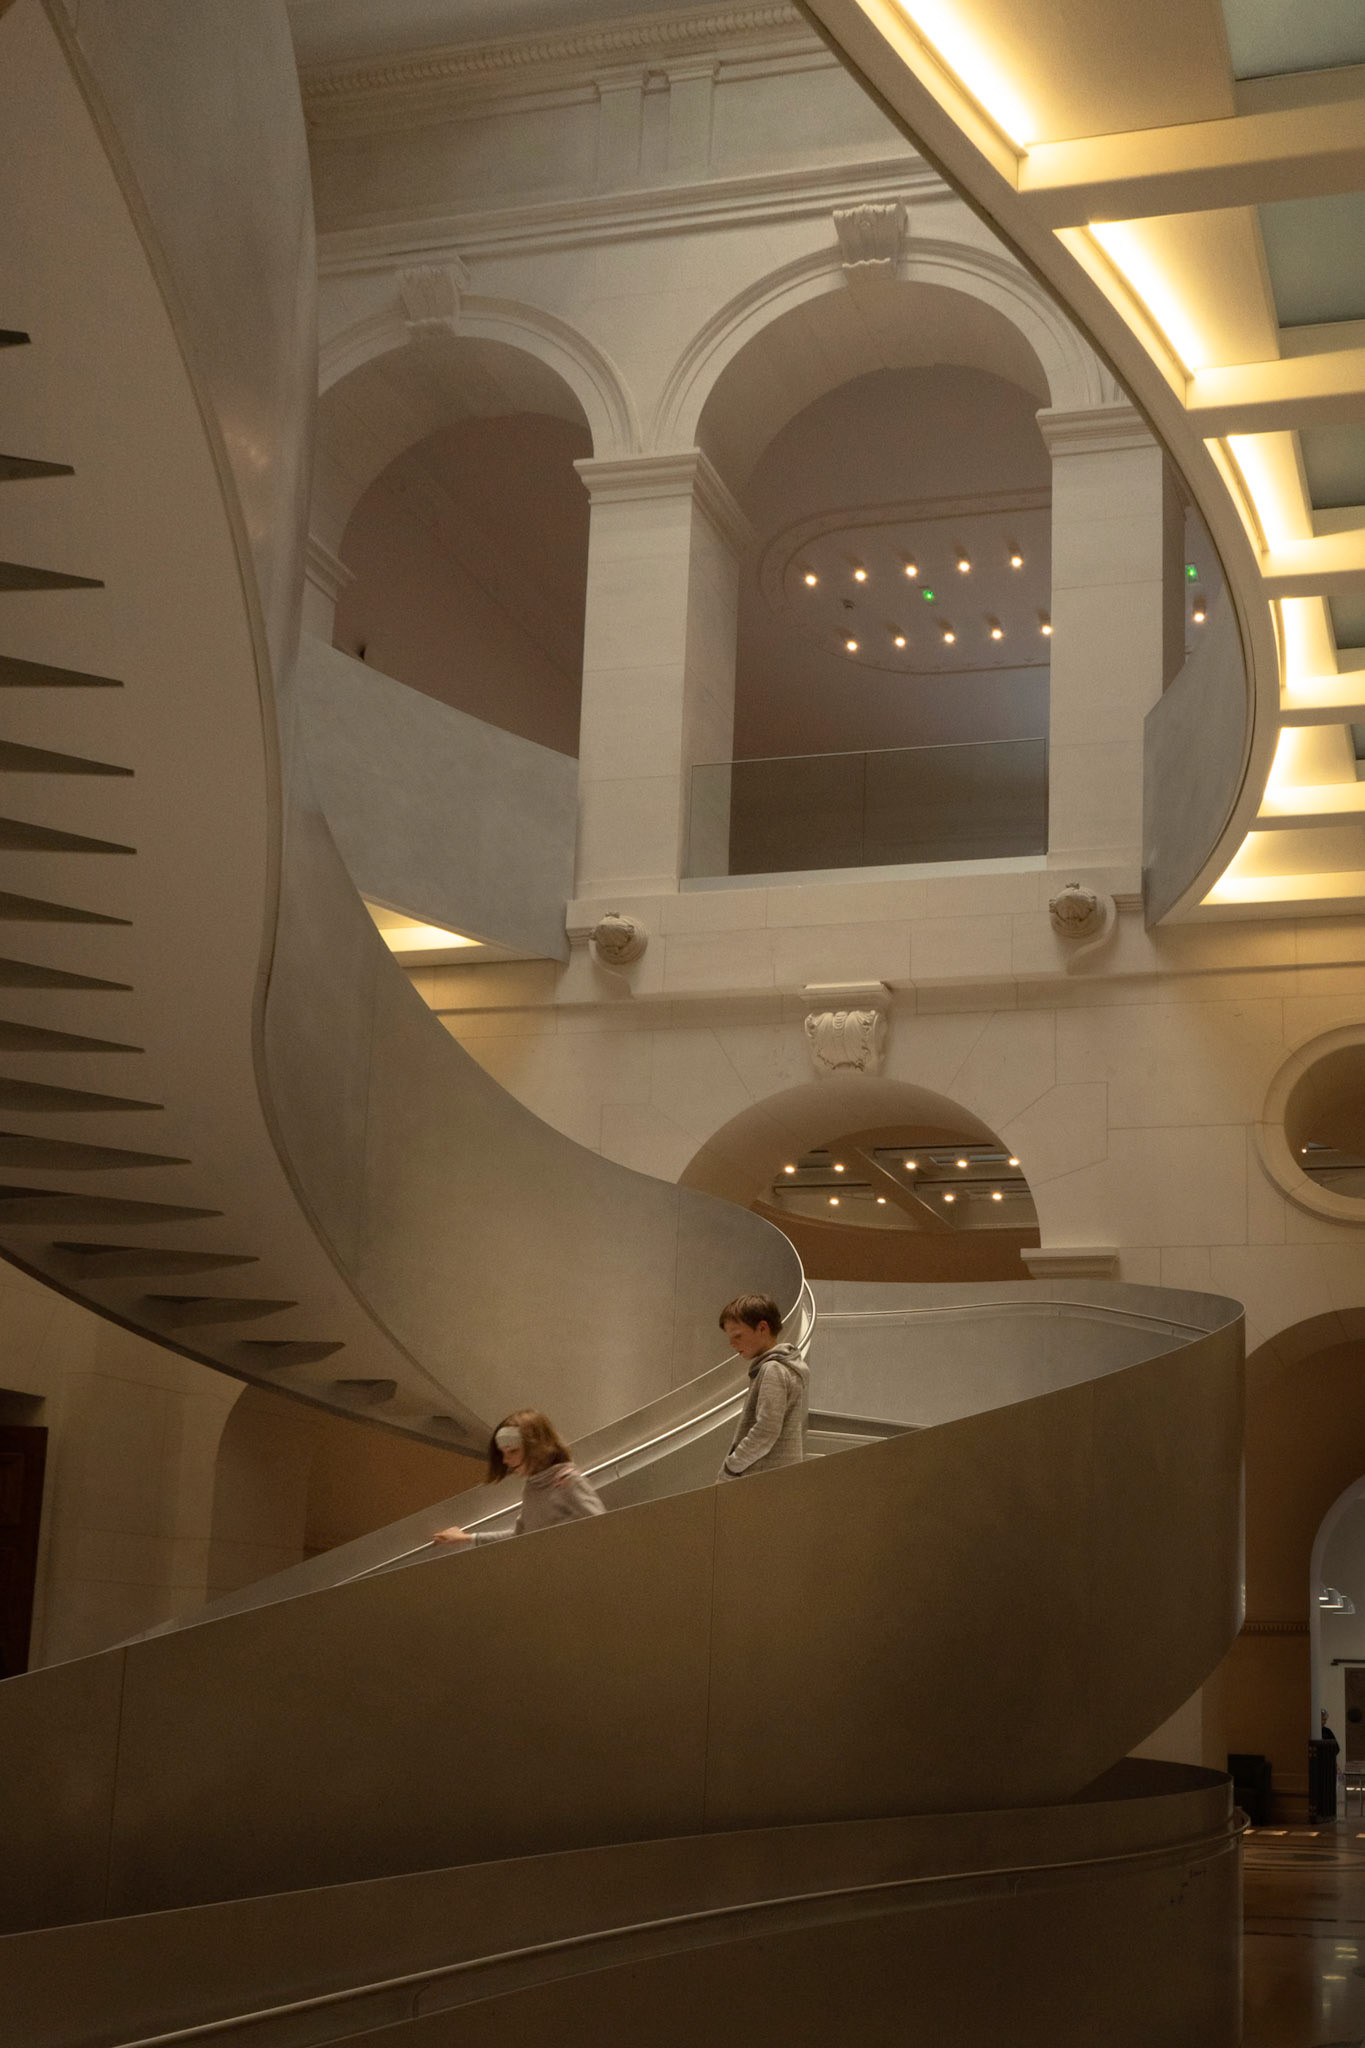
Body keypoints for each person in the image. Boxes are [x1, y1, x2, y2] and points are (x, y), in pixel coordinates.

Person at [432, 1409, 605, 1547]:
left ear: (536, 1447)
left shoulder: (567, 1481)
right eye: (503, 1453)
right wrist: (467, 1539)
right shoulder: (532, 1487)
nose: (506, 1460)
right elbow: (520, 1535)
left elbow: (603, 1528)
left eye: (513, 1451)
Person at [718, 1292, 809, 1481]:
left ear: (762, 1328)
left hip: (762, 1480)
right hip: (777, 1479)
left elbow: (766, 1431)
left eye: (737, 1336)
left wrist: (731, 1467)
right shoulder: (786, 1366)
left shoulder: (773, 1369)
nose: (732, 1344)